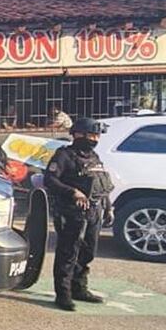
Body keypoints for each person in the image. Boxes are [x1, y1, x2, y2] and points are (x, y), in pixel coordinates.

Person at [43, 117, 113, 312]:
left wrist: (109, 207)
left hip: (94, 211)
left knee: (88, 252)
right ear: (78, 135)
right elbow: (50, 180)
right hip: (72, 212)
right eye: (91, 135)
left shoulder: (94, 157)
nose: (95, 139)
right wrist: (72, 192)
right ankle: (63, 294)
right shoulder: (64, 155)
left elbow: (102, 184)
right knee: (68, 252)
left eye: (97, 135)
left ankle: (79, 288)